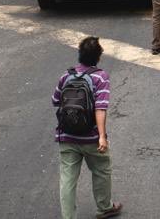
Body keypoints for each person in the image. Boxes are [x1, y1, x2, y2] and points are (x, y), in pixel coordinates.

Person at [52, 36, 122, 219]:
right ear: (98, 57)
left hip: (66, 136)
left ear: (79, 55)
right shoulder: (101, 77)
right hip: (91, 138)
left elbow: (55, 100)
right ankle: (104, 208)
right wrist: (102, 136)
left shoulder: (66, 76)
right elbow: (100, 108)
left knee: (67, 179)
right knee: (101, 170)